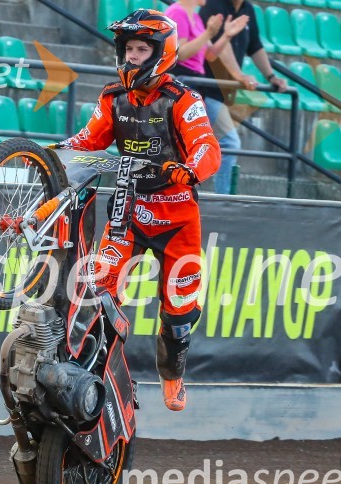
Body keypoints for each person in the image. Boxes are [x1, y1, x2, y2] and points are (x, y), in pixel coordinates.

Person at [55, 9, 221, 411]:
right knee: (99, 288)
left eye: (141, 48)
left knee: (180, 311)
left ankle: (172, 376)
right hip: (128, 207)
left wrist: (189, 170)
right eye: (128, 48)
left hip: (178, 217)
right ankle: (98, 371)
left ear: (161, 53)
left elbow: (207, 147)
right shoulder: (113, 97)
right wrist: (55, 151)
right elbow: (88, 139)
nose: (132, 56)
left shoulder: (184, 99)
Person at [198, 0, 288, 193]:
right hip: (204, 89)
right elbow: (219, 46)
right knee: (229, 142)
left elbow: (255, 46)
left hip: (223, 92)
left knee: (198, 144)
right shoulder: (214, 6)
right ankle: (224, 197)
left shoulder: (248, 9)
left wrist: (271, 76)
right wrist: (240, 75)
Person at [165, 0, 251, 194]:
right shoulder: (177, 12)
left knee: (209, 142)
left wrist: (226, 35)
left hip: (197, 86)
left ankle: (219, 195)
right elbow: (180, 54)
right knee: (184, 143)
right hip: (183, 84)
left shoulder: (195, 17)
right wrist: (208, 33)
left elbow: (210, 55)